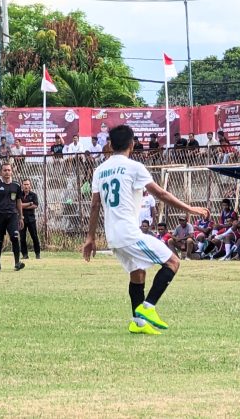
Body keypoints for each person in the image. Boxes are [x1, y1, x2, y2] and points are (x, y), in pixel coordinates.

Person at [82, 125, 209, 335]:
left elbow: (95, 205)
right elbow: (161, 194)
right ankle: (148, 307)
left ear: (110, 144)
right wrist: (190, 208)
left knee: (137, 273)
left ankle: (137, 323)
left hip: (113, 236)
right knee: (173, 262)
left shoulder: (99, 170)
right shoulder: (134, 167)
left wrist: (90, 237)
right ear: (132, 144)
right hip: (129, 233)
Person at [0, 163, 25, 272]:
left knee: (15, 237)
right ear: (0, 172)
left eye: (9, 170)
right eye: (4, 170)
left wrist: (21, 217)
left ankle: (17, 263)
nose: (7, 172)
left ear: (12, 171)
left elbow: (19, 201)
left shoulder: (16, 185)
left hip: (12, 216)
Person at [20, 179, 41, 260]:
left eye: (27, 184)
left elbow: (35, 205)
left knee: (34, 237)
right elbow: (18, 205)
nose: (26, 186)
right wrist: (29, 203)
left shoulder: (33, 195)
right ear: (22, 185)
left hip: (31, 219)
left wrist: (23, 206)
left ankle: (37, 254)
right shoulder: (19, 195)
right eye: (24, 184)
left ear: (30, 185)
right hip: (21, 219)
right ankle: (25, 255)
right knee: (22, 238)